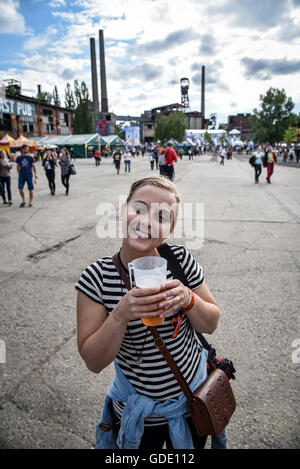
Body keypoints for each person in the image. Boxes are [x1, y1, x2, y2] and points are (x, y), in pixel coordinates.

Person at [76, 176, 222, 449]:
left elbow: (211, 322)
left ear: (169, 228)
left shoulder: (180, 262)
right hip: (138, 419)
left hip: (192, 405)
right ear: (123, 210)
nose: (146, 221)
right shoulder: (96, 277)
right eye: (139, 208)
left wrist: (189, 299)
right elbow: (93, 361)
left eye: (162, 216)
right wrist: (119, 315)